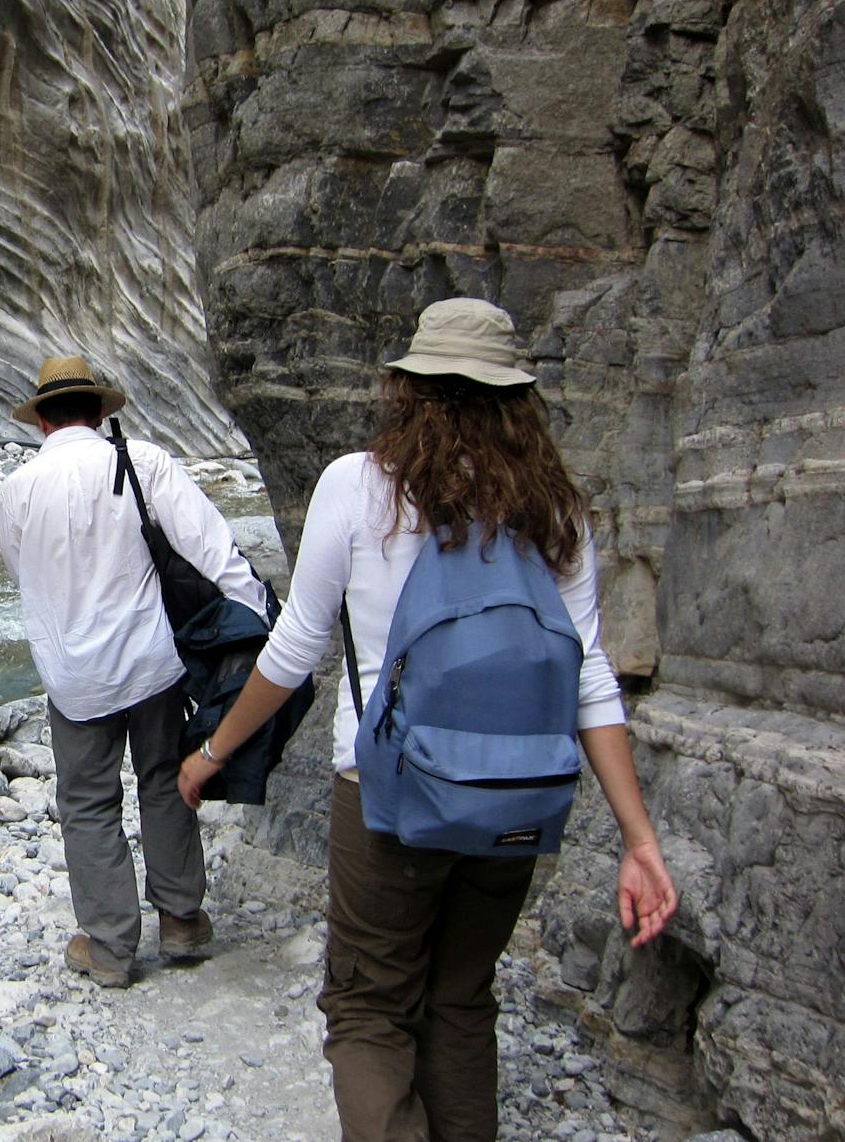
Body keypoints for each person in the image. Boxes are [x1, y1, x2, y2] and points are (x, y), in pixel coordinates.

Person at [175, 299, 678, 1139]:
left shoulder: (358, 486)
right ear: (518, 399)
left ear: (405, 388)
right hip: (517, 799)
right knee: (461, 998)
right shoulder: (558, 511)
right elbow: (589, 676)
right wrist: (640, 840)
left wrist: (214, 750)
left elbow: (295, 646)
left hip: (386, 796)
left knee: (370, 1007)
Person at [0, 355, 268, 988]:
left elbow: (21, 572)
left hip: (72, 677)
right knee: (166, 779)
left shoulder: (17, 489)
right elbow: (210, 545)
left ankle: (112, 948)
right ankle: (181, 921)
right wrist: (260, 612)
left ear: (42, 422)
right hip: (152, 662)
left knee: (88, 803)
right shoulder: (142, 463)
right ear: (100, 412)